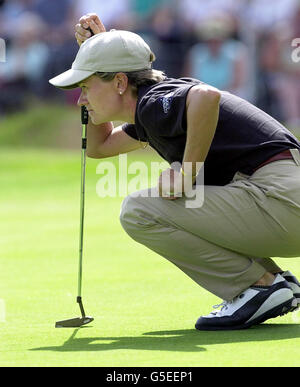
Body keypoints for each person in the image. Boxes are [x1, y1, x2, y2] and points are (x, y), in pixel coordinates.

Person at [49, 13, 300, 331]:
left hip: (280, 198)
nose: (80, 99)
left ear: (121, 83)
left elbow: (206, 97)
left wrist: (187, 172)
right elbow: (100, 148)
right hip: (282, 202)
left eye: (85, 87)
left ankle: (260, 288)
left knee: (139, 210)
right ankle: (273, 282)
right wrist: (95, 53)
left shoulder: (153, 104)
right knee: (164, 203)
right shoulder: (153, 110)